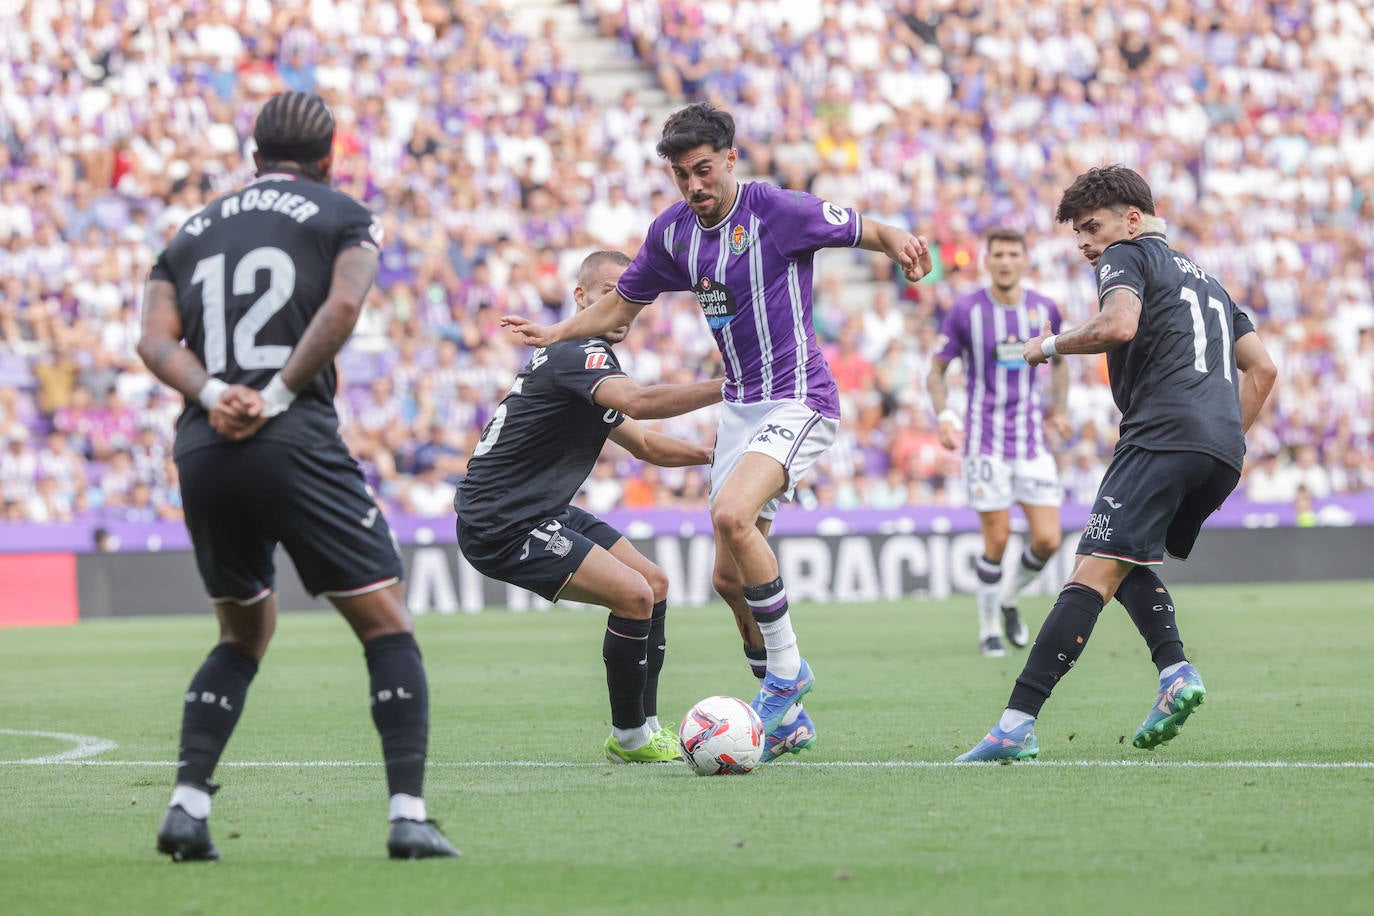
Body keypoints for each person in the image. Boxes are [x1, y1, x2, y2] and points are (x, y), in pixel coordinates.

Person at [502, 103, 932, 760]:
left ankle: (787, 675)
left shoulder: (777, 211)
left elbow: (864, 227)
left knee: (734, 514)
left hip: (797, 398)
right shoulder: (673, 234)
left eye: (704, 170)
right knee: (729, 580)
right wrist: (556, 332)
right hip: (740, 411)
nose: (695, 186)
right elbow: (621, 303)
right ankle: (785, 721)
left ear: (730, 159)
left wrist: (899, 241)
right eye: (681, 175)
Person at [137, 91, 458, 859]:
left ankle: (186, 806)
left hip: (203, 447)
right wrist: (274, 395)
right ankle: (408, 817)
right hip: (293, 439)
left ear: (253, 156)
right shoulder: (345, 214)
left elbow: (151, 341)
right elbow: (345, 305)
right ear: (327, 157)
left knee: (243, 631)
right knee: (385, 622)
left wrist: (217, 395)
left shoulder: (186, 233)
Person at [957, 165, 1277, 762]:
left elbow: (1119, 324)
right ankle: (1174, 670)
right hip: (1221, 451)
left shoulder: (1127, 255)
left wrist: (1045, 346)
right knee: (1121, 559)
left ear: (1132, 220)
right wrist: (1225, 433)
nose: (1084, 243)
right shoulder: (1210, 281)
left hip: (1161, 437)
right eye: (1077, 232)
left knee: (1087, 576)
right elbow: (1264, 368)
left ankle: (1015, 725)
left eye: (1091, 227)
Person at [455, 250, 722, 763]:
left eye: (631, 299)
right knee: (634, 596)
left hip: (539, 509)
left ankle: (645, 728)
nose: (622, 308)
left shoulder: (580, 364)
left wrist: (715, 455)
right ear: (581, 298)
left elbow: (646, 445)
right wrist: (730, 385)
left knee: (655, 585)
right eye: (609, 295)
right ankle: (630, 739)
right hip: (503, 521)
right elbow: (639, 402)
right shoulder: (580, 355)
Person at [928, 228, 1070, 658]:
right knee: (998, 538)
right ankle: (989, 626)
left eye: (1013, 254)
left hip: (1031, 444)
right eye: (998, 255)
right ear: (986, 261)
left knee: (1048, 540)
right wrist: (946, 416)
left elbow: (1060, 361)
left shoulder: (1045, 308)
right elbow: (936, 371)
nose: (1006, 261)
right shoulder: (965, 311)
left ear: (1025, 260)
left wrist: (1058, 409)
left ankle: (1008, 599)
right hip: (984, 445)